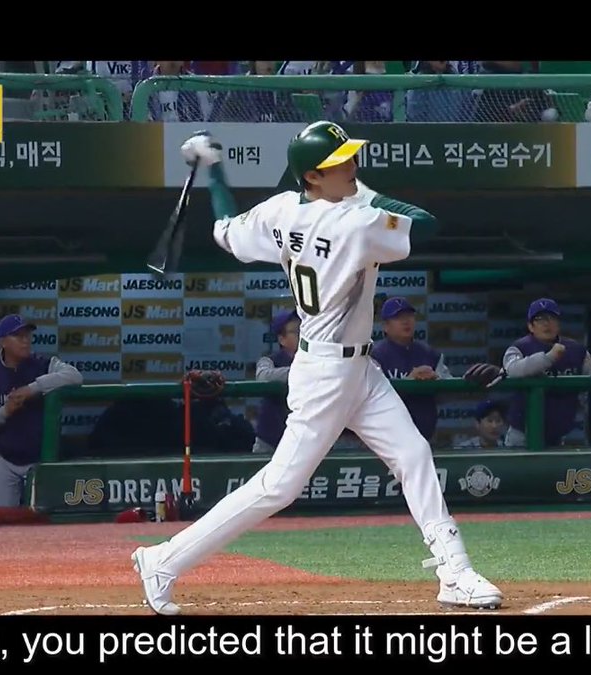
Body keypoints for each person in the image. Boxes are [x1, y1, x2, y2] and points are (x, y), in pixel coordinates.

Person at [130, 121, 502, 615]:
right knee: (278, 487)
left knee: (413, 454)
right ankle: (164, 560)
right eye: (339, 164)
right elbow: (427, 223)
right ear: (311, 176)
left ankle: (454, 571)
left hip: (358, 369)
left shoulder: (282, 210)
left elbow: (225, 230)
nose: (353, 167)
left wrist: (215, 171)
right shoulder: (357, 220)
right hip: (326, 374)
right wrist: (364, 193)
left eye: (351, 158)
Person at [0, 314, 83, 506]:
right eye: (18, 336)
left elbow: (75, 376)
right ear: (2, 342)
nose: (26, 341)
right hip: (2, 457)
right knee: (4, 517)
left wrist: (33, 388)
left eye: (27, 335)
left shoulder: (44, 365)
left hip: (39, 457)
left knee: (41, 515)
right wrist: (4, 412)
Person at [502, 298, 591, 447]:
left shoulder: (576, 350)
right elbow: (513, 370)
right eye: (540, 319)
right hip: (522, 434)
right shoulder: (518, 348)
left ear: (559, 324)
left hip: (561, 435)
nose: (547, 324)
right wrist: (549, 357)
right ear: (530, 326)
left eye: (551, 318)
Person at [370, 297, 451, 443]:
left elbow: (449, 394)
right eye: (398, 317)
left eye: (409, 316)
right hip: (385, 440)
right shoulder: (375, 355)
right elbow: (372, 399)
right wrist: (409, 381)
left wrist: (436, 381)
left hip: (425, 437)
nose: (405, 321)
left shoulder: (430, 354)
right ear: (385, 326)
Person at [251, 309, 299, 454]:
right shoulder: (269, 360)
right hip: (270, 441)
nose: (303, 334)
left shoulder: (317, 360)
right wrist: (303, 372)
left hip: (306, 441)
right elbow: (263, 377)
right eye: (296, 331)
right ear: (282, 339)